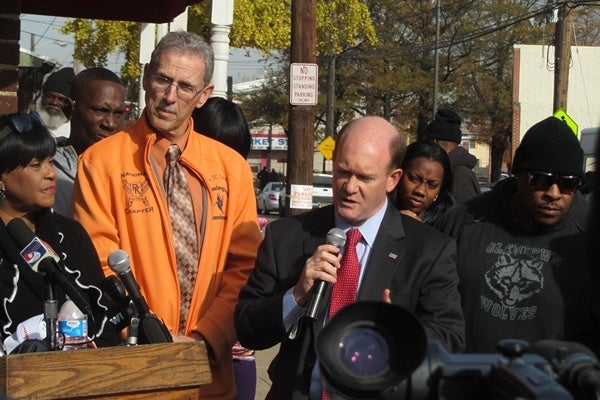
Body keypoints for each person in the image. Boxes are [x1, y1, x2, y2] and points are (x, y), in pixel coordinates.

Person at [72, 31, 262, 399]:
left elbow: (246, 269)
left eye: (185, 87)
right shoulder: (100, 162)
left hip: (210, 373)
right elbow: (99, 263)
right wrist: (153, 334)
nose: (170, 97)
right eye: (163, 80)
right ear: (145, 77)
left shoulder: (231, 168)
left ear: (204, 95)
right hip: (133, 371)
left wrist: (207, 339)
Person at [235, 116, 465, 399]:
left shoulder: (429, 250)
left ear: (393, 179)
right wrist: (295, 297)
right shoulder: (285, 236)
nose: (349, 186)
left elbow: (451, 340)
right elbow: (247, 328)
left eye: (365, 177)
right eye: (343, 172)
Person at [435, 116, 600, 356]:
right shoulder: (464, 221)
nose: (554, 193)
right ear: (518, 175)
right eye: (540, 181)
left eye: (568, 184)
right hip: (467, 381)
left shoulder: (589, 236)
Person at [0, 112, 121, 353]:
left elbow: (107, 321)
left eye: (51, 161)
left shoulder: (71, 233)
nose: (51, 174)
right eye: (36, 165)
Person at [193, 96, 256, 400]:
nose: (231, 167)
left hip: (234, 356)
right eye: (222, 153)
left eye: (238, 157)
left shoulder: (242, 201)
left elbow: (248, 270)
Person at [53, 67, 126, 216]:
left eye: (118, 113)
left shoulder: (132, 172)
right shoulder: (44, 168)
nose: (110, 124)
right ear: (70, 109)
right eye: (100, 110)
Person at [391, 140, 454, 226]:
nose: (420, 191)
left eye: (432, 185)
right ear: (398, 175)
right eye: (414, 179)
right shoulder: (373, 213)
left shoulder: (448, 225)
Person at [424, 108, 481, 203]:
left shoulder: (459, 175)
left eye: (425, 142)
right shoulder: (451, 169)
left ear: (434, 142)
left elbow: (465, 215)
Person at [36, 67, 75, 138]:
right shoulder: (27, 126)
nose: (54, 102)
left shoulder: (76, 134)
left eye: (62, 99)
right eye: (50, 96)